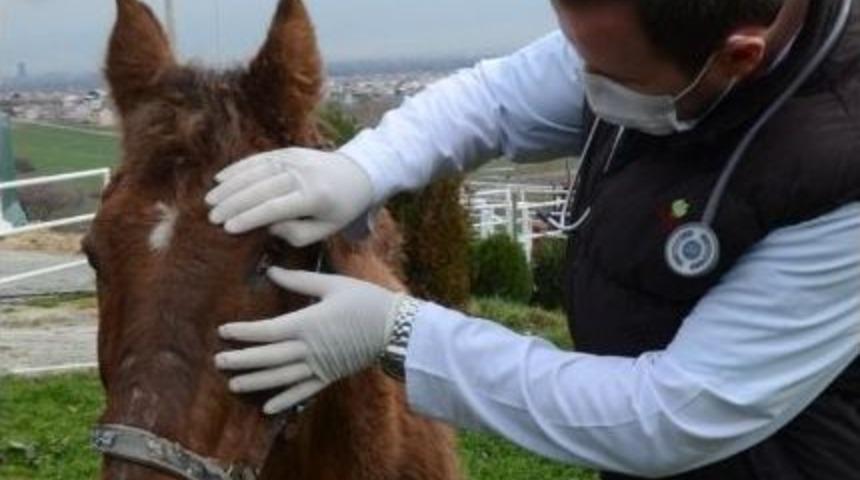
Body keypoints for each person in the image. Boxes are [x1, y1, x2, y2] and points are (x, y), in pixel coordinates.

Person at [206, 1, 860, 478]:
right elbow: (496, 98)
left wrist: (403, 333)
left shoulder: (840, 170)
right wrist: (364, 166)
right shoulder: (644, 35)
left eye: (610, 78)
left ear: (741, 55)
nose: (584, 87)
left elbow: (668, 416)